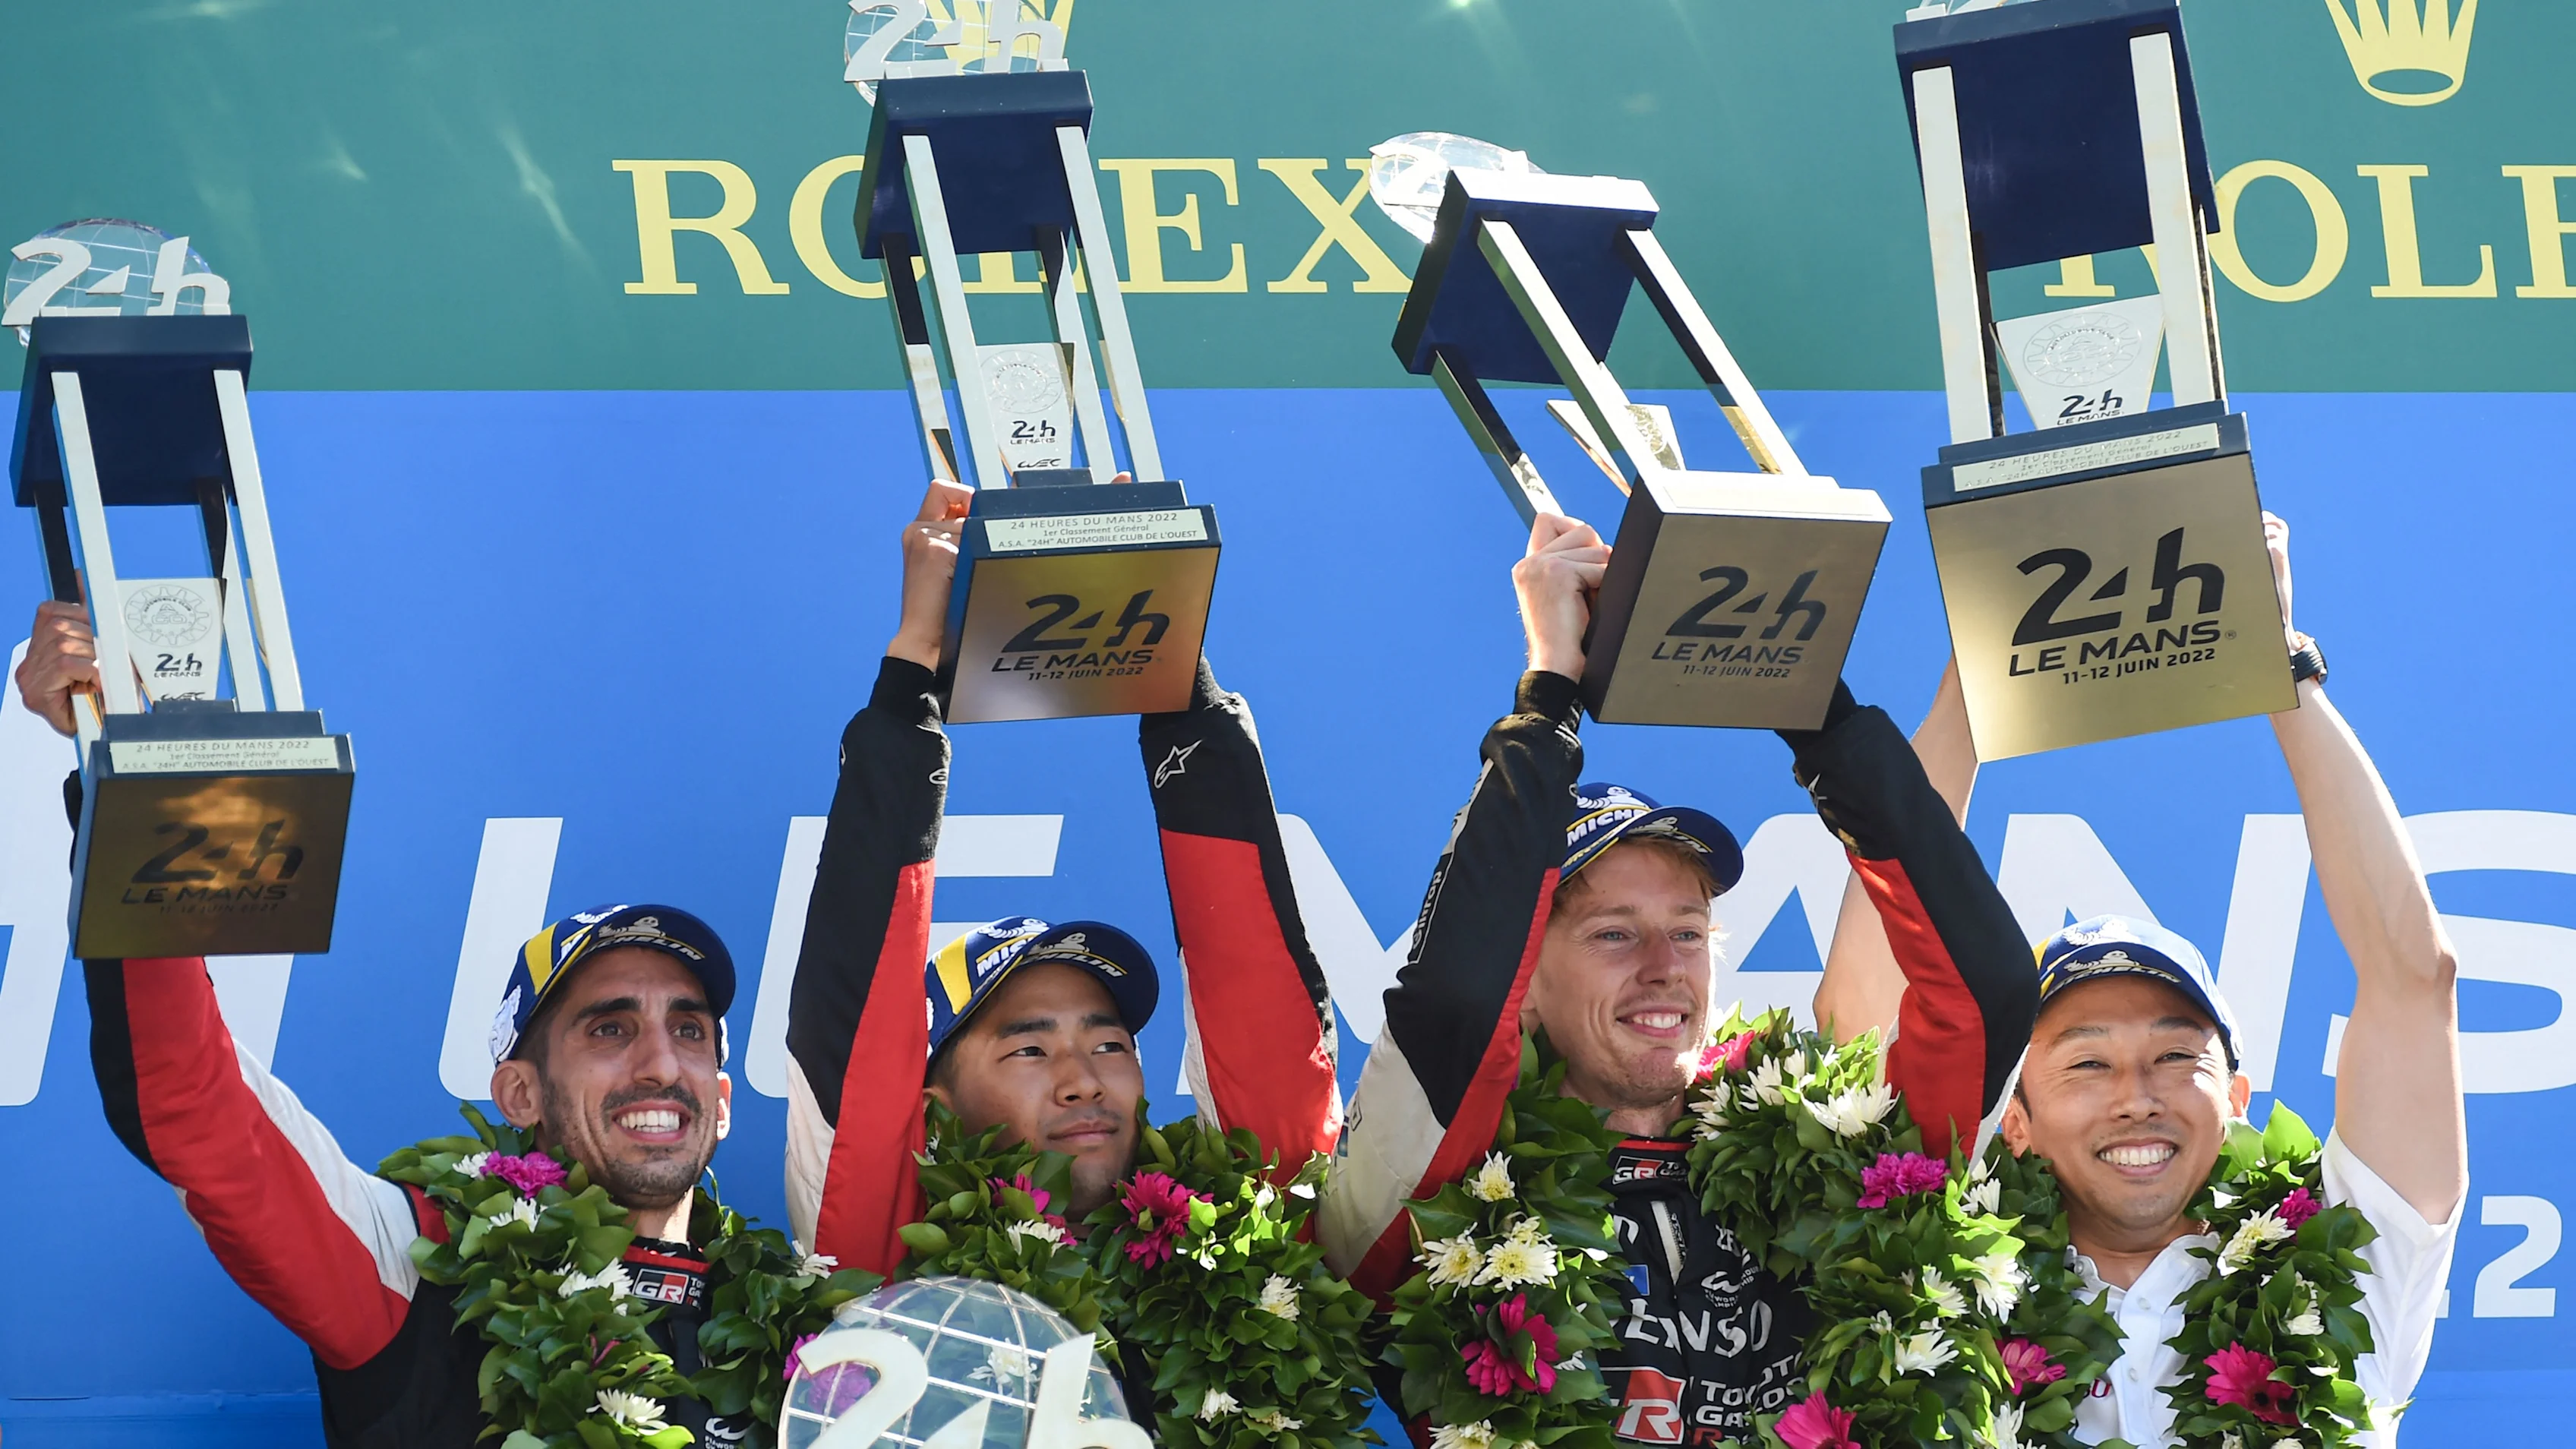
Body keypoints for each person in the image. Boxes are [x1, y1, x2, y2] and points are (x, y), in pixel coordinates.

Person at [1315, 513, 2041, 1446]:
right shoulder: (1429, 1191)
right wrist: (1545, 703)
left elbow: (1985, 998)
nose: (1664, 970)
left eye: (1688, 932)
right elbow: (1452, 998)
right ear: (1523, 982)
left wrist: (1809, 703)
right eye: (1613, 934)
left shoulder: (1828, 1161)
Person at [21, 597, 775, 1448]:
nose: (657, 1063)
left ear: (721, 1096)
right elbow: (200, 1112)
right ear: (518, 1091)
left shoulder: (800, 1332)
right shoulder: (417, 1269)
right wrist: (135, 784)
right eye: (607, 1028)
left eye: (688, 1029)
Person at [1817, 514, 2463, 1447]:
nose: (2136, 1099)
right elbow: (1864, 1000)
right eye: (2084, 1064)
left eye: (2172, 1055)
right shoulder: (1930, 1271)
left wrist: (2278, 665)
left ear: (2235, 1096)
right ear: (2018, 1122)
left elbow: (2413, 982)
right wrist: (1974, 674)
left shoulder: (2352, 1267)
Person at [781, 477, 1343, 1274]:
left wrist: (1161, 646)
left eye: (1109, 1043)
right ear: (933, 1111)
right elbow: (856, 1023)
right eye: (1029, 1052)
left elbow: (1261, 1010)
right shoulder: (886, 1261)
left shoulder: (1236, 1265)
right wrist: (913, 672)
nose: (1083, 1082)